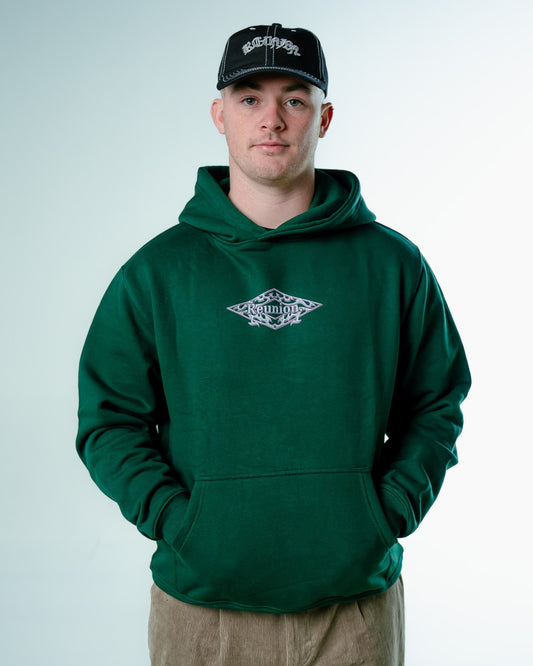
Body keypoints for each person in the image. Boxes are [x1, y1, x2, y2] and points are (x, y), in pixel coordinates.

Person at [76, 22, 471, 665]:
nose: (272, 119)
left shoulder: (392, 265)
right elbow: (109, 420)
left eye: (294, 98)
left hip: (354, 610)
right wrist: (181, 524)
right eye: (249, 98)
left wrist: (385, 513)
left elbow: (436, 401)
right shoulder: (157, 273)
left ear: (325, 117)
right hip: (202, 612)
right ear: (219, 115)